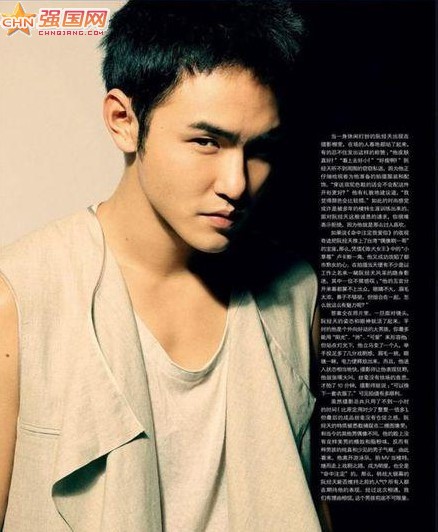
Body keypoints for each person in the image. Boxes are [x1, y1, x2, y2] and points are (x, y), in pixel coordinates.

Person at [0, 1, 331, 530]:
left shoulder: (297, 294)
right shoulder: (21, 295)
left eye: (260, 150)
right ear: (123, 122)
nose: (237, 184)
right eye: (207, 142)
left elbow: (311, 505)